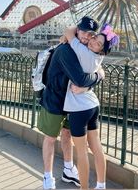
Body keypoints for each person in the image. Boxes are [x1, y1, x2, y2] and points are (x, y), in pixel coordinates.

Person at [37, 16, 104, 190]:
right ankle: (47, 177)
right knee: (51, 138)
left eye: (91, 34)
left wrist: (96, 77)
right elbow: (80, 78)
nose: (86, 36)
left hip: (72, 102)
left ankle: (68, 169)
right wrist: (92, 80)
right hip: (55, 99)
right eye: (83, 32)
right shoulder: (67, 49)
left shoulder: (82, 47)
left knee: (67, 135)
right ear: (77, 31)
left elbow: (99, 67)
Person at [63, 23, 119, 189]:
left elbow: (68, 31)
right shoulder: (97, 58)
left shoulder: (84, 52)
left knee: (81, 152)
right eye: (95, 38)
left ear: (102, 50)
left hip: (78, 109)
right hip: (92, 106)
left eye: (99, 43)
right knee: (96, 146)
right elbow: (100, 72)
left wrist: (71, 33)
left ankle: (84, 188)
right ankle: (101, 185)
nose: (94, 42)